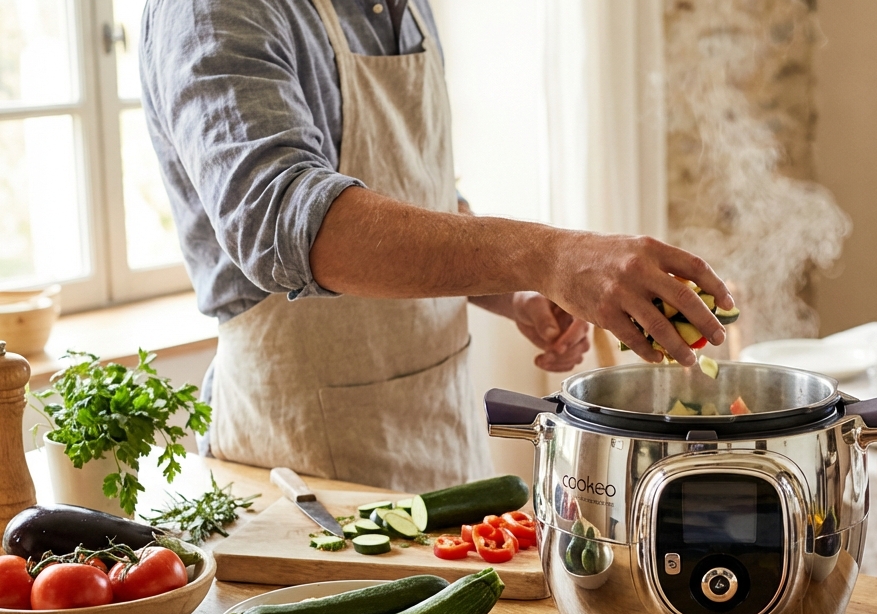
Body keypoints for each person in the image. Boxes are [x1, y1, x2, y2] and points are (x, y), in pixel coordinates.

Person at [140, 0, 733, 492]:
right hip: (303, 469)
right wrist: (550, 257)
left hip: (443, 443)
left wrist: (517, 292)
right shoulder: (214, 9)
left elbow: (419, 194)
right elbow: (290, 223)